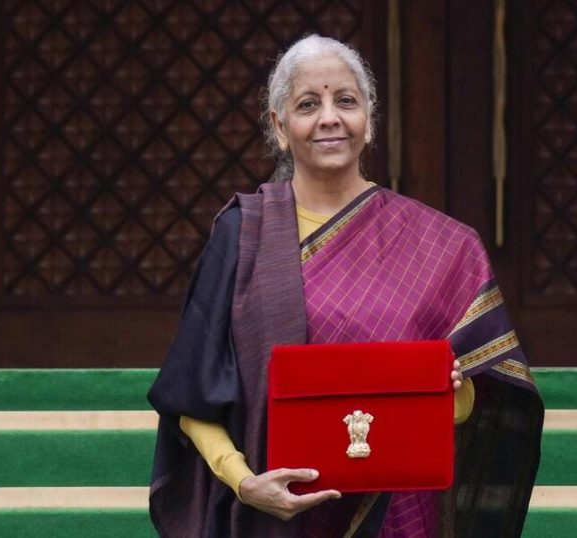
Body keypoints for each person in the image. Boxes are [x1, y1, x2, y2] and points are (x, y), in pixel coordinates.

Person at [148, 34, 544, 537]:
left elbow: (481, 398)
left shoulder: (444, 247)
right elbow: (190, 391)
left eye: (346, 101)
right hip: (276, 516)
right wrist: (245, 483)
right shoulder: (243, 234)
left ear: (369, 119)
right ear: (279, 126)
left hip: (399, 513)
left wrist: (451, 393)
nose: (330, 118)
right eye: (308, 104)